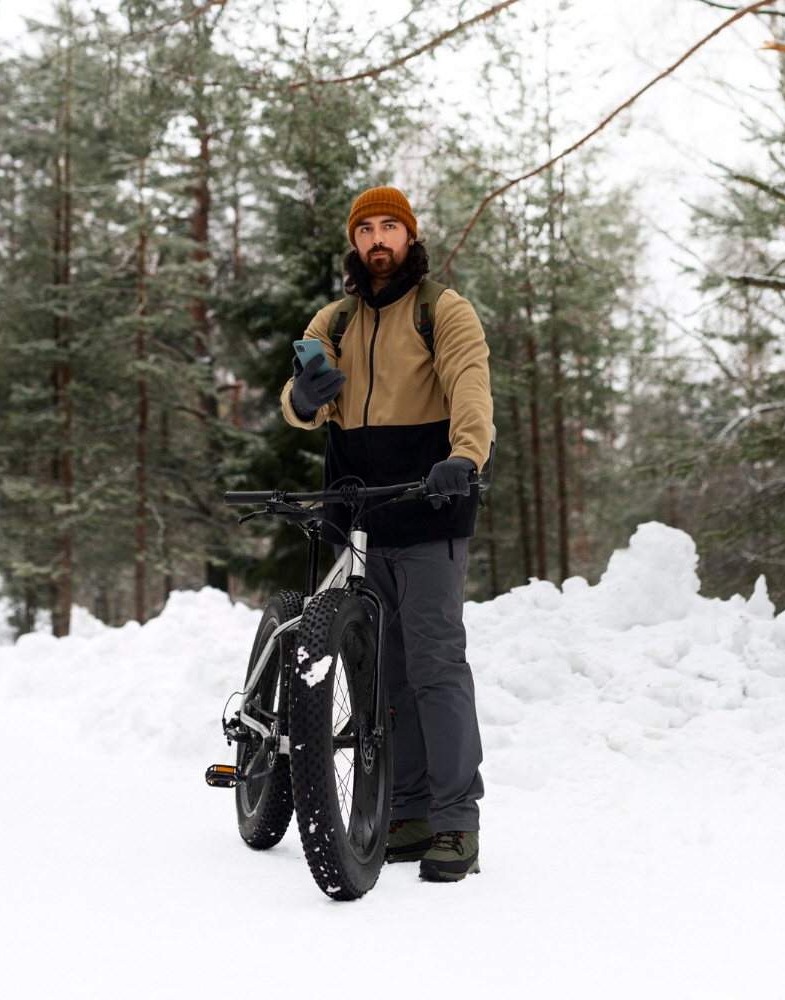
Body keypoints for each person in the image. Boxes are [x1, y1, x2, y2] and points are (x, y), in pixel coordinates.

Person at [280, 186, 493, 883]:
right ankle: (406, 810)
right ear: (355, 241)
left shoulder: (442, 310)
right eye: (366, 228)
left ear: (409, 238)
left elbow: (469, 382)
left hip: (430, 505)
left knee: (435, 666)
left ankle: (456, 819)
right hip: (363, 512)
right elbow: (302, 398)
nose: (377, 240)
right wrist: (302, 401)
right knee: (385, 673)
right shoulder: (335, 319)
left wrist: (465, 456)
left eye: (389, 229)